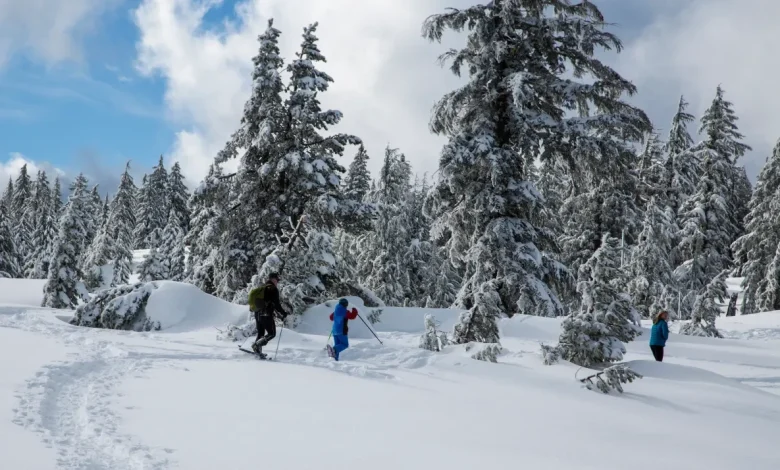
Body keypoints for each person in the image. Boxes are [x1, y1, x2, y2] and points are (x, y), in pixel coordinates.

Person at [248, 273, 288, 356]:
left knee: (261, 333)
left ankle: (257, 351)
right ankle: (256, 345)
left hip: (257, 314)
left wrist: (278, 314)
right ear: (273, 279)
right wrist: (283, 313)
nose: (277, 282)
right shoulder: (273, 289)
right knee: (272, 333)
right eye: (277, 280)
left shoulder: (263, 287)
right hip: (266, 314)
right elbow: (276, 304)